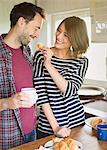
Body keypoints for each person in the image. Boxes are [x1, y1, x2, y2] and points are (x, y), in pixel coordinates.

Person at [33, 16, 89, 139]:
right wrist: (56, 128)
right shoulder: (40, 56)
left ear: (76, 38)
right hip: (48, 126)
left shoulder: (81, 61)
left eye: (66, 35)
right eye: (59, 30)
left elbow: (68, 91)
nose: (58, 37)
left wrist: (49, 64)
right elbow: (41, 96)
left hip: (76, 123)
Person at [0, 2, 45, 149]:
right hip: (7, 138)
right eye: (36, 28)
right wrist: (6, 103)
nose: (37, 34)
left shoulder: (27, 51)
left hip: (32, 131)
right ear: (21, 22)